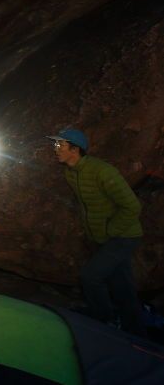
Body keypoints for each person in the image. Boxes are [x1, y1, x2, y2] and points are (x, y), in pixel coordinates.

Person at [47, 128, 146, 336]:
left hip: (123, 236)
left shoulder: (102, 171)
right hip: (103, 238)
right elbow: (87, 205)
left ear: (74, 149)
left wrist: (111, 229)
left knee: (90, 277)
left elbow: (132, 206)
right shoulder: (70, 173)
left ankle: (104, 321)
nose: (55, 149)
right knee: (122, 286)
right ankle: (135, 329)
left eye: (60, 145)